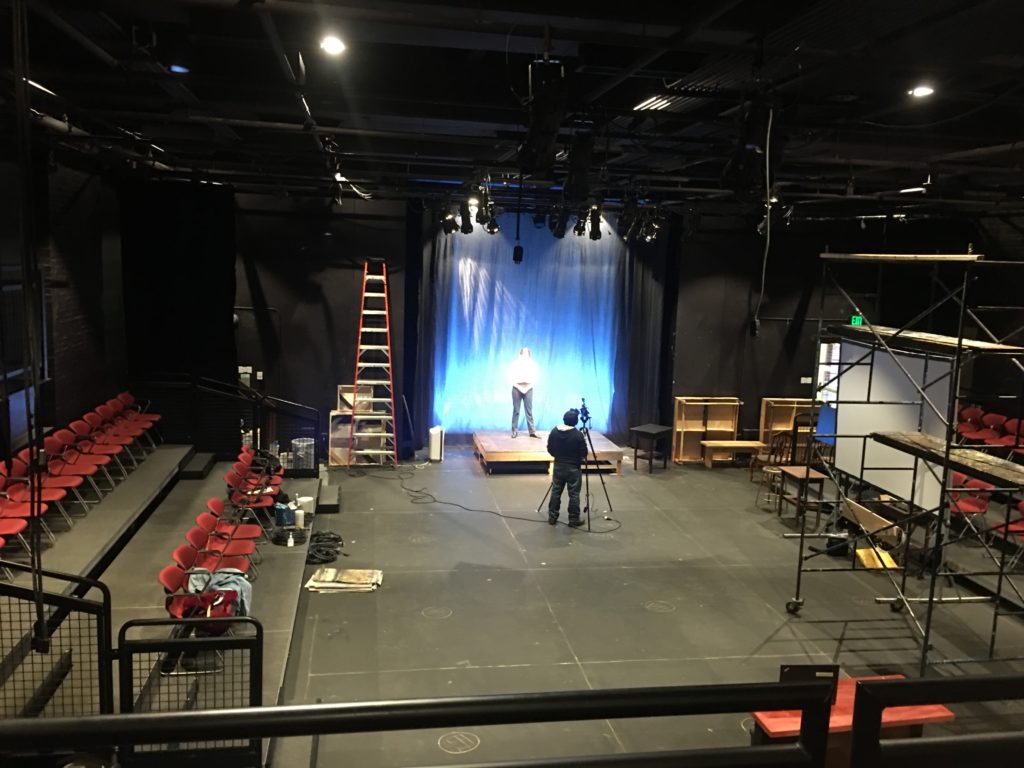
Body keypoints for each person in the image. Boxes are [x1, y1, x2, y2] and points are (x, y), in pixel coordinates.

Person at [546, 409, 588, 527]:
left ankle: (552, 517)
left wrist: (558, 457)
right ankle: (573, 519)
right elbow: (583, 452)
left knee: (556, 491)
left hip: (559, 466)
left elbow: (550, 448)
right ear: (575, 421)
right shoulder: (578, 435)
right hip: (573, 468)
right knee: (574, 494)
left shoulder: (554, 431)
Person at [509, 347, 539, 438]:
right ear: (520, 355)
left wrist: (526, 388)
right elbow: (510, 378)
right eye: (523, 354)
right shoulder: (514, 364)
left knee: (529, 411)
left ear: (529, 356)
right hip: (517, 387)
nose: (525, 356)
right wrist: (519, 387)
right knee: (516, 410)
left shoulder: (533, 365)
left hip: (528, 388)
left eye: (527, 354)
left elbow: (535, 379)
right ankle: (514, 431)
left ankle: (532, 432)